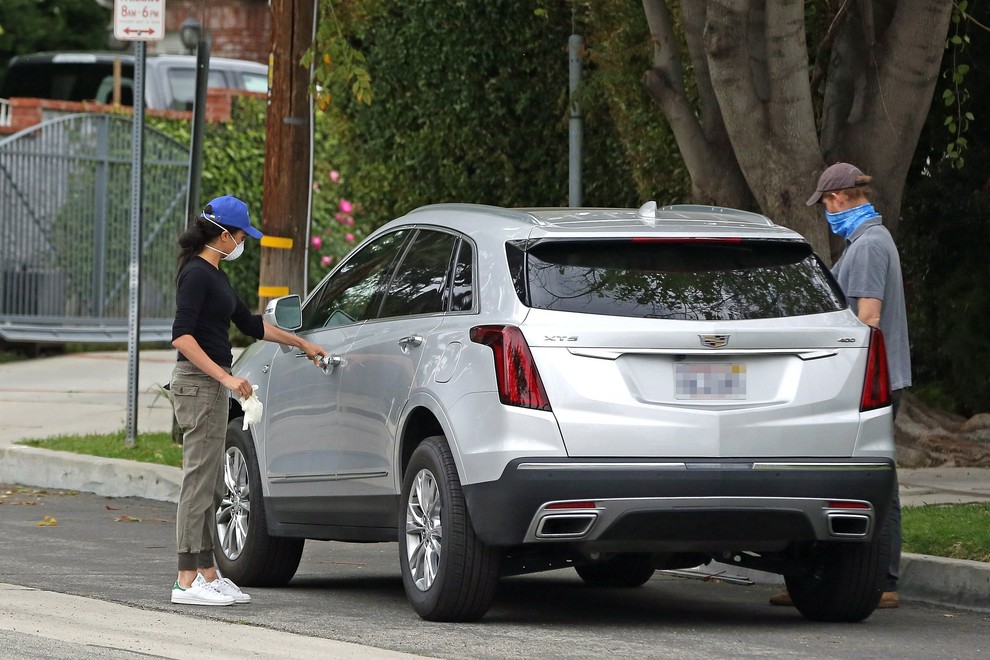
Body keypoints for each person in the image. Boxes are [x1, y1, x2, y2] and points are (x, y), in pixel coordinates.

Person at [169, 195, 327, 606]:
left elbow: (251, 323)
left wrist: (300, 343)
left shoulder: (215, 274)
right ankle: (186, 581)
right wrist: (225, 376)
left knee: (211, 483)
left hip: (211, 386)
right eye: (241, 235)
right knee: (198, 483)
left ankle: (207, 572)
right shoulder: (196, 275)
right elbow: (182, 336)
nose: (244, 242)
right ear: (224, 234)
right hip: (199, 384)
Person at [770, 163, 911, 610]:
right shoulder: (868, 241)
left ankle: (882, 580)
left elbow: (867, 317)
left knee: (876, 480)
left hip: (870, 379)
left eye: (827, 203)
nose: (828, 212)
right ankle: (830, 578)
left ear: (839, 199)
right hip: (878, 376)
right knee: (872, 477)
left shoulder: (868, 246)